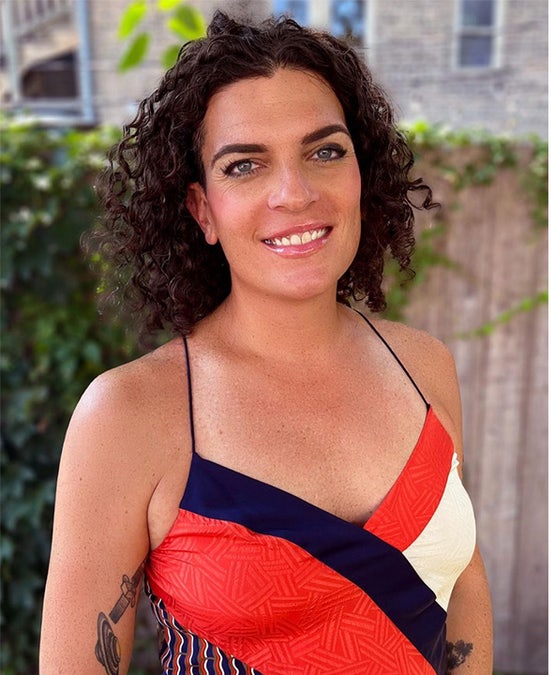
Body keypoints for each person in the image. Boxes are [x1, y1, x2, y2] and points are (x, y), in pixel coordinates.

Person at [40, 11, 492, 674]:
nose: (295, 192)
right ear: (202, 210)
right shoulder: (131, 413)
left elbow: (466, 585)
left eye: (325, 151)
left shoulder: (425, 366)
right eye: (245, 165)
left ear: (361, 175)